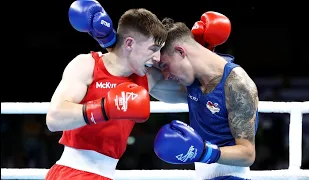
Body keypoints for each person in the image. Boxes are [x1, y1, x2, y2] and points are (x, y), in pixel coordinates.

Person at [45, 0, 167, 179]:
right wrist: (105, 108)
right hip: (71, 173)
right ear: (130, 43)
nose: (157, 57)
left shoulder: (147, 76)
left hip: (105, 175)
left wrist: (205, 46)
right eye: (153, 49)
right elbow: (54, 119)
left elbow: (189, 84)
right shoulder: (87, 65)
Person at [153, 12, 260, 180]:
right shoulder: (191, 81)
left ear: (181, 52)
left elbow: (247, 154)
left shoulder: (237, 85)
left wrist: (203, 152)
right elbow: (146, 77)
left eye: (165, 65)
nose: (166, 75)